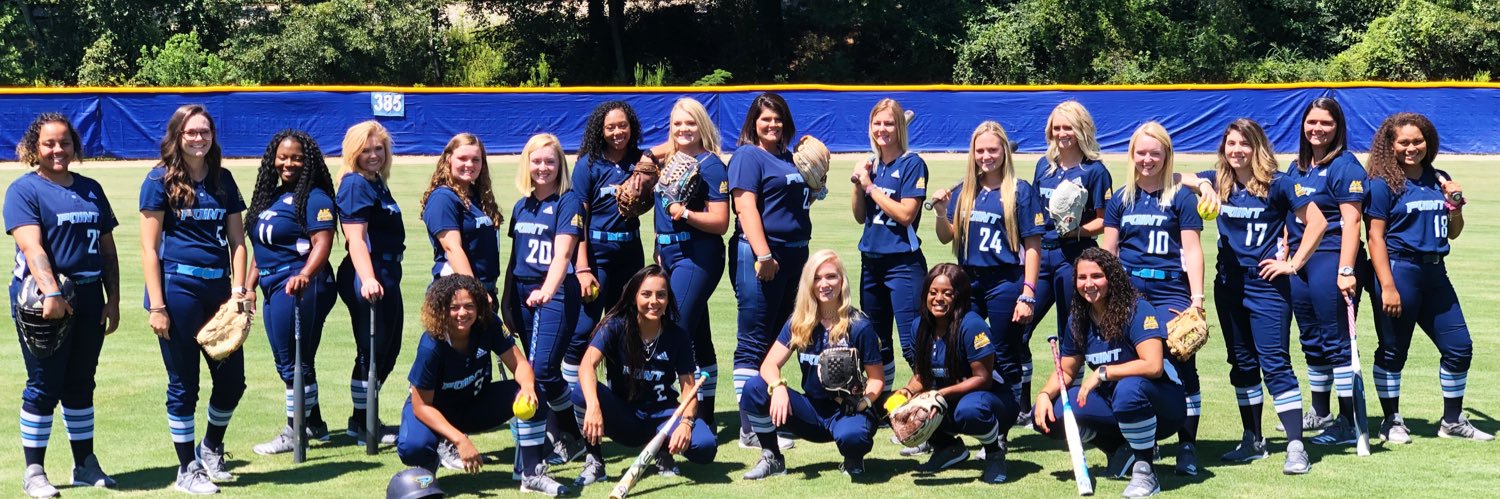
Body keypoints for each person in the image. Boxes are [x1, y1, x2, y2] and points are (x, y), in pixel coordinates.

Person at [1193, 118, 1326, 473]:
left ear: (1258, 147)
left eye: (1244, 144)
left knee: (1275, 363)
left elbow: (1318, 223)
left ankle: (1296, 445)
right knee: (1242, 363)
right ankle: (1252, 440)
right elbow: (1175, 178)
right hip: (1228, 284)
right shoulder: (1219, 180)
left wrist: (1294, 264)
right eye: (1230, 144)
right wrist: (1203, 187)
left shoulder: (1279, 183)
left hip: (1266, 284)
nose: (1236, 151)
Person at [6, 113, 120, 497]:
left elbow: (106, 249)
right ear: (33, 147)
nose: (58, 150)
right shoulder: (25, 190)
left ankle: (84, 464)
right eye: (49, 143)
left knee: (80, 383)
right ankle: (34, 471)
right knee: (44, 383)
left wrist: (113, 299)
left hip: (89, 295)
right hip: (44, 298)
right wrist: (51, 292)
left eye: (65, 143)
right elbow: (31, 246)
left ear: (75, 146)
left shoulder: (91, 188)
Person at [139, 104, 251, 493]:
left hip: (220, 292)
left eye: (205, 132)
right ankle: (187, 468)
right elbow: (150, 250)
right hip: (178, 290)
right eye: (191, 132)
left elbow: (238, 241)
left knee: (233, 382)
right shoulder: (159, 180)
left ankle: (211, 448)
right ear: (177, 136)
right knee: (184, 383)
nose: (199, 138)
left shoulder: (224, 180)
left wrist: (239, 292)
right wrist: (157, 306)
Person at [1364, 112, 1491, 442]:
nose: (1411, 148)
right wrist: (1387, 286)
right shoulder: (1382, 184)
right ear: (1390, 145)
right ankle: (1390, 420)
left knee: (1459, 347)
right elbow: (1375, 238)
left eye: (1417, 141)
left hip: (1435, 273)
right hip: (1399, 271)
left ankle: (1452, 421)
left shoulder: (1439, 178)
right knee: (1393, 352)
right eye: (1403, 142)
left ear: (1428, 141)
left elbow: (1453, 233)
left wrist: (1457, 208)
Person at [395, 274, 570, 496]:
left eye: (469, 306)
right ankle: (431, 463)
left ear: (479, 306)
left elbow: (520, 366)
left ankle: (530, 473)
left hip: (474, 404)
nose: (462, 313)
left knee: (534, 392)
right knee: (413, 447)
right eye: (454, 307)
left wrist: (527, 388)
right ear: (441, 310)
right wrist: (459, 440)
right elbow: (421, 406)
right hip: (435, 412)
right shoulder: (432, 345)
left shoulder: (489, 325)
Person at [1034, 248, 1184, 498]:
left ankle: (1145, 470)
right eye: (1082, 278)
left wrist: (1104, 372)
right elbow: (1068, 370)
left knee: (1128, 389)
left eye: (1096, 276)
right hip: (1115, 403)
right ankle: (1118, 449)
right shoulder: (1079, 317)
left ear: (1112, 277)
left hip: (1162, 405)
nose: (1088, 284)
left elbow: (1154, 365)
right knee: (1052, 413)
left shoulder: (1137, 309)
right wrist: (1043, 395)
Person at [1100, 121, 1206, 476]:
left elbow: (1192, 250)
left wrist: (1197, 299)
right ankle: (1144, 438)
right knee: (1135, 359)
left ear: (1166, 155)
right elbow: (1109, 252)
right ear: (1132, 154)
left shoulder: (1180, 197)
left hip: (1171, 288)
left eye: (1154, 153)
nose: (1147, 159)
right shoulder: (1121, 198)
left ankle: (1187, 444)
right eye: (1141, 153)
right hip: (1129, 290)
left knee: (1180, 357)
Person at [929, 121, 1042, 452]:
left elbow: (1033, 246)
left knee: (1004, 353)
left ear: (1004, 151)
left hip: (1005, 280)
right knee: (957, 347)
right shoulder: (966, 190)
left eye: (993, 149)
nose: (986, 156)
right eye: (980, 150)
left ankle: (1002, 426)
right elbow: (947, 236)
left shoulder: (1019, 191)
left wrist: (1028, 292)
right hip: (967, 280)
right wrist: (939, 212)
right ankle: (944, 425)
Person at [740, 250, 883, 478]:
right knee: (754, 387)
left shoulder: (858, 325)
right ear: (809, 283)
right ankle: (772, 457)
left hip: (847, 412)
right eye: (817, 278)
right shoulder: (800, 321)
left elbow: (876, 379)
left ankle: (853, 458)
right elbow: (768, 365)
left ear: (842, 281)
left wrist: (864, 402)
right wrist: (777, 386)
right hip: (811, 412)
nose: (824, 284)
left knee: (853, 437)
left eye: (831, 277)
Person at [571, 265, 717, 487]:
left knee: (705, 447)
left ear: (668, 299)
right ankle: (595, 461)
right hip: (626, 417)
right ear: (633, 296)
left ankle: (663, 451)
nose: (654, 301)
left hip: (664, 417)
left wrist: (686, 424)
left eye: (661, 295)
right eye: (646, 294)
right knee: (581, 391)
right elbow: (586, 366)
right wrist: (593, 406)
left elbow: (689, 389)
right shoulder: (615, 326)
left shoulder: (677, 336)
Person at [728, 92, 817, 448]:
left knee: (783, 338)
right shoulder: (749, 155)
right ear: (754, 122)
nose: (772, 124)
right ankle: (751, 425)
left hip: (795, 257)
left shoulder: (788, 158)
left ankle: (772, 413)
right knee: (754, 338)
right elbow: (744, 205)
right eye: (765, 118)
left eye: (778, 119)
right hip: (762, 255)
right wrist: (763, 255)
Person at [244, 130, 340, 455]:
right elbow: (261, 247)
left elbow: (322, 244)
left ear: (308, 161)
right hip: (272, 284)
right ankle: (314, 424)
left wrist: (305, 274)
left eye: (297, 157)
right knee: (299, 360)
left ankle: (293, 430)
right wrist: (248, 286)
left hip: (299, 284)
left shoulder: (315, 198)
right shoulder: (270, 196)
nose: (289, 163)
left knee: (291, 362)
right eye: (283, 157)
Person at [1281, 97, 1367, 446]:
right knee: (1311, 339)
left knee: (1335, 341)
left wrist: (1346, 269)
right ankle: (1321, 411)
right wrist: (1286, 246)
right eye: (1312, 122)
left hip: (1331, 257)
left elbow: (1352, 221)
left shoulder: (1346, 166)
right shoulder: (1296, 167)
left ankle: (1349, 421)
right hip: (1300, 260)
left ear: (1338, 128)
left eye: (1326, 123)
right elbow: (1290, 212)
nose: (1317, 129)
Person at [502, 133, 588, 465]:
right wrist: (508, 301)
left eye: (550, 161)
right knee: (533, 371)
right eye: (536, 161)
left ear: (559, 166)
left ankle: (557, 440)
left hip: (554, 292)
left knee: (543, 370)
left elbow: (564, 253)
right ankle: (562, 435)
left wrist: (547, 292)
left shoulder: (569, 202)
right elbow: (516, 257)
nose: (543, 167)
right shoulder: (521, 205)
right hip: (524, 292)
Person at [1026, 101, 1113, 420]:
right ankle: (1023, 402)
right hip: (1041, 255)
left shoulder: (1095, 170)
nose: (1062, 134)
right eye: (1057, 127)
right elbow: (1034, 214)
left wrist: (1076, 231)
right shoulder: (1043, 167)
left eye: (1068, 128)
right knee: (1021, 324)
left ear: (1081, 130)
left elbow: (1105, 220)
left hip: (1075, 259)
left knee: (1071, 332)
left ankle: (1072, 402)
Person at [891, 264, 1018, 483]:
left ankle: (994, 452)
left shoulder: (972, 325)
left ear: (959, 296)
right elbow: (922, 376)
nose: (938, 298)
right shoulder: (919, 326)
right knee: (897, 403)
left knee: (970, 410)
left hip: (993, 401)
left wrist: (938, 395)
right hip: (952, 399)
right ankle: (948, 448)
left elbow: (983, 379)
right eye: (933, 292)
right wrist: (906, 393)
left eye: (947, 293)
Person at [651, 97, 731, 426]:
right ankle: (706, 412)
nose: (684, 129)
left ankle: (675, 407)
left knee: (675, 328)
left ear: (702, 127)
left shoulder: (710, 164)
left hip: (698, 254)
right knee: (698, 335)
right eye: (677, 124)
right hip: (670, 255)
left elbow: (721, 222)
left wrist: (683, 213)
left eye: (690, 123)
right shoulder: (670, 160)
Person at [571, 102, 650, 410]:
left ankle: (621, 399)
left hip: (630, 252)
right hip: (597, 255)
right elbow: (579, 220)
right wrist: (582, 267)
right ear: (599, 131)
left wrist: (651, 164)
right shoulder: (588, 165)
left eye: (623, 126)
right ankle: (573, 404)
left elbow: (669, 149)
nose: (618, 132)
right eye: (610, 127)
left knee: (627, 326)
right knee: (583, 329)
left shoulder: (640, 161)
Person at [849, 98, 928, 406]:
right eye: (877, 123)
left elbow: (906, 214)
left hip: (903, 264)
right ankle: (884, 403)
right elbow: (859, 216)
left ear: (899, 128)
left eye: (889, 123)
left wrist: (870, 187)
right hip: (871, 261)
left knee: (913, 342)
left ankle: (925, 405)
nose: (883, 129)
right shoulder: (873, 165)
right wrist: (858, 184)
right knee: (877, 341)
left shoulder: (912, 163)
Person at [335, 121, 404, 446]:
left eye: (379, 149)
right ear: (354, 152)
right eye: (366, 150)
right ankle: (364, 424)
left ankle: (360, 418)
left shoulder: (376, 183)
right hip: (368, 276)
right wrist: (368, 279)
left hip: (387, 274)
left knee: (388, 351)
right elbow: (356, 240)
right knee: (371, 354)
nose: (373, 155)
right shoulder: (354, 185)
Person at [419, 133, 504, 293]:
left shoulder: (478, 196)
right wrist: (475, 292)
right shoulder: (443, 197)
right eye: (462, 158)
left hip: (485, 288)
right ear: (448, 159)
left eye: (475, 159)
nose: (469, 164)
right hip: (458, 290)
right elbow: (452, 248)